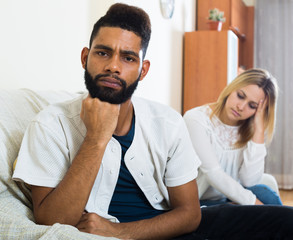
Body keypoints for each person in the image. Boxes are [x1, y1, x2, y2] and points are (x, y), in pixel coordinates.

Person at [12, 3, 293, 240]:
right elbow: (52, 222)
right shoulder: (50, 124)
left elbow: (189, 214)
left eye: (128, 57)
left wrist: (118, 231)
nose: (113, 65)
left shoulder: (168, 123)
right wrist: (96, 138)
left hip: (168, 228)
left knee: (283, 220)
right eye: (102, 53)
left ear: (143, 70)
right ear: (85, 57)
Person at [184, 68, 282, 206]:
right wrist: (255, 204)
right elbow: (214, 174)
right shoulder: (196, 119)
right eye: (240, 96)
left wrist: (259, 132)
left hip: (230, 198)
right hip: (199, 202)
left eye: (252, 105)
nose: (241, 107)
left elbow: (250, 181)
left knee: (265, 193)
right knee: (268, 210)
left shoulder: (251, 129)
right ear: (232, 88)